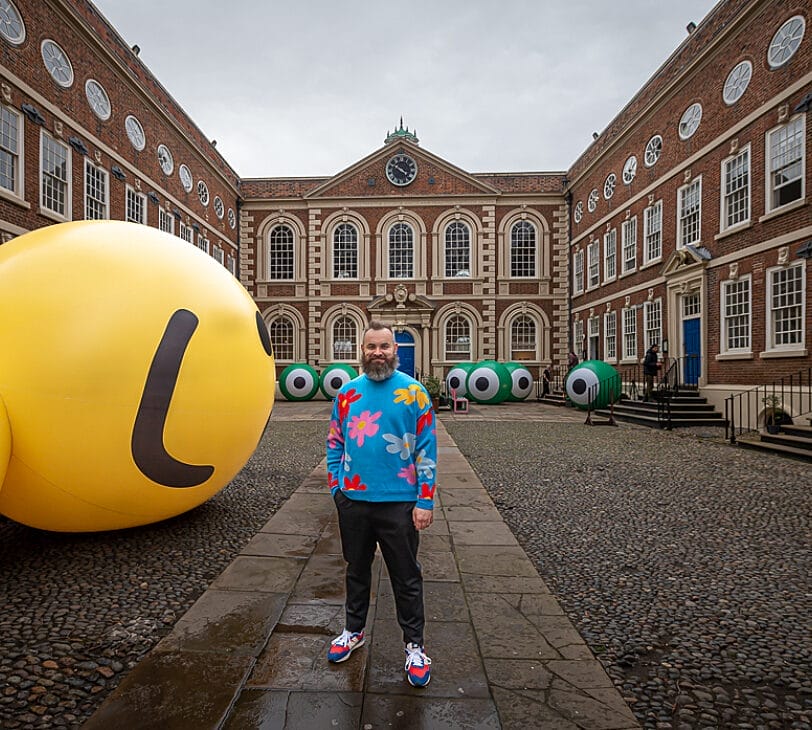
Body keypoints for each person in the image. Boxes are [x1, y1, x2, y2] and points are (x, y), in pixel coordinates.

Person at [325, 320, 437, 688]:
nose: (377, 353)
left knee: (406, 577)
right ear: (362, 350)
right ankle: (353, 631)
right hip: (354, 501)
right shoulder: (348, 393)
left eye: (384, 347)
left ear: (396, 350)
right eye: (371, 346)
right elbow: (335, 442)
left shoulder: (415, 393)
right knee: (356, 571)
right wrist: (335, 488)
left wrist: (425, 499)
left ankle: (415, 646)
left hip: (400, 504)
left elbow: (426, 450)